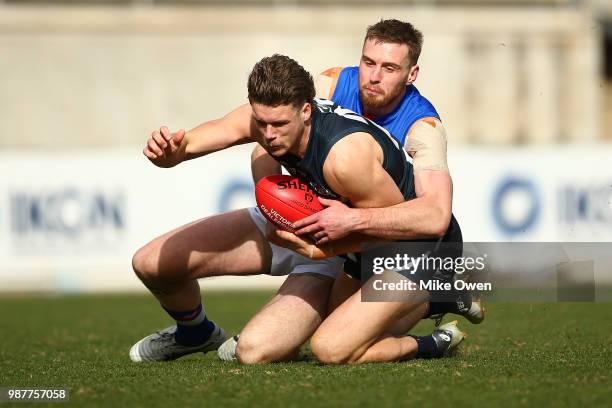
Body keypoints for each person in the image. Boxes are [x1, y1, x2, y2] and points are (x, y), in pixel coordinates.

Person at [129, 54, 465, 364]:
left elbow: (397, 232)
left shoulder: (346, 159)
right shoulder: (267, 119)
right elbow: (211, 134)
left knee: (329, 348)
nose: (269, 135)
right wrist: (173, 153)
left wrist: (327, 248)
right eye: (261, 124)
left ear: (306, 111)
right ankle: (195, 333)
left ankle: (434, 318)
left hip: (397, 247)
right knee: (153, 264)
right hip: (324, 229)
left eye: (278, 125)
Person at [219, 19, 483, 363]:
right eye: (368, 62)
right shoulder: (330, 84)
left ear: (412, 73)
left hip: (407, 243)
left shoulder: (424, 128)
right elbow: (268, 143)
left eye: (389, 68)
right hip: (352, 240)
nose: (373, 76)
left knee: (332, 347)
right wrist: (277, 209)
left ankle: (435, 323)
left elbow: (435, 215)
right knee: (329, 331)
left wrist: (351, 220)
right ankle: (442, 300)